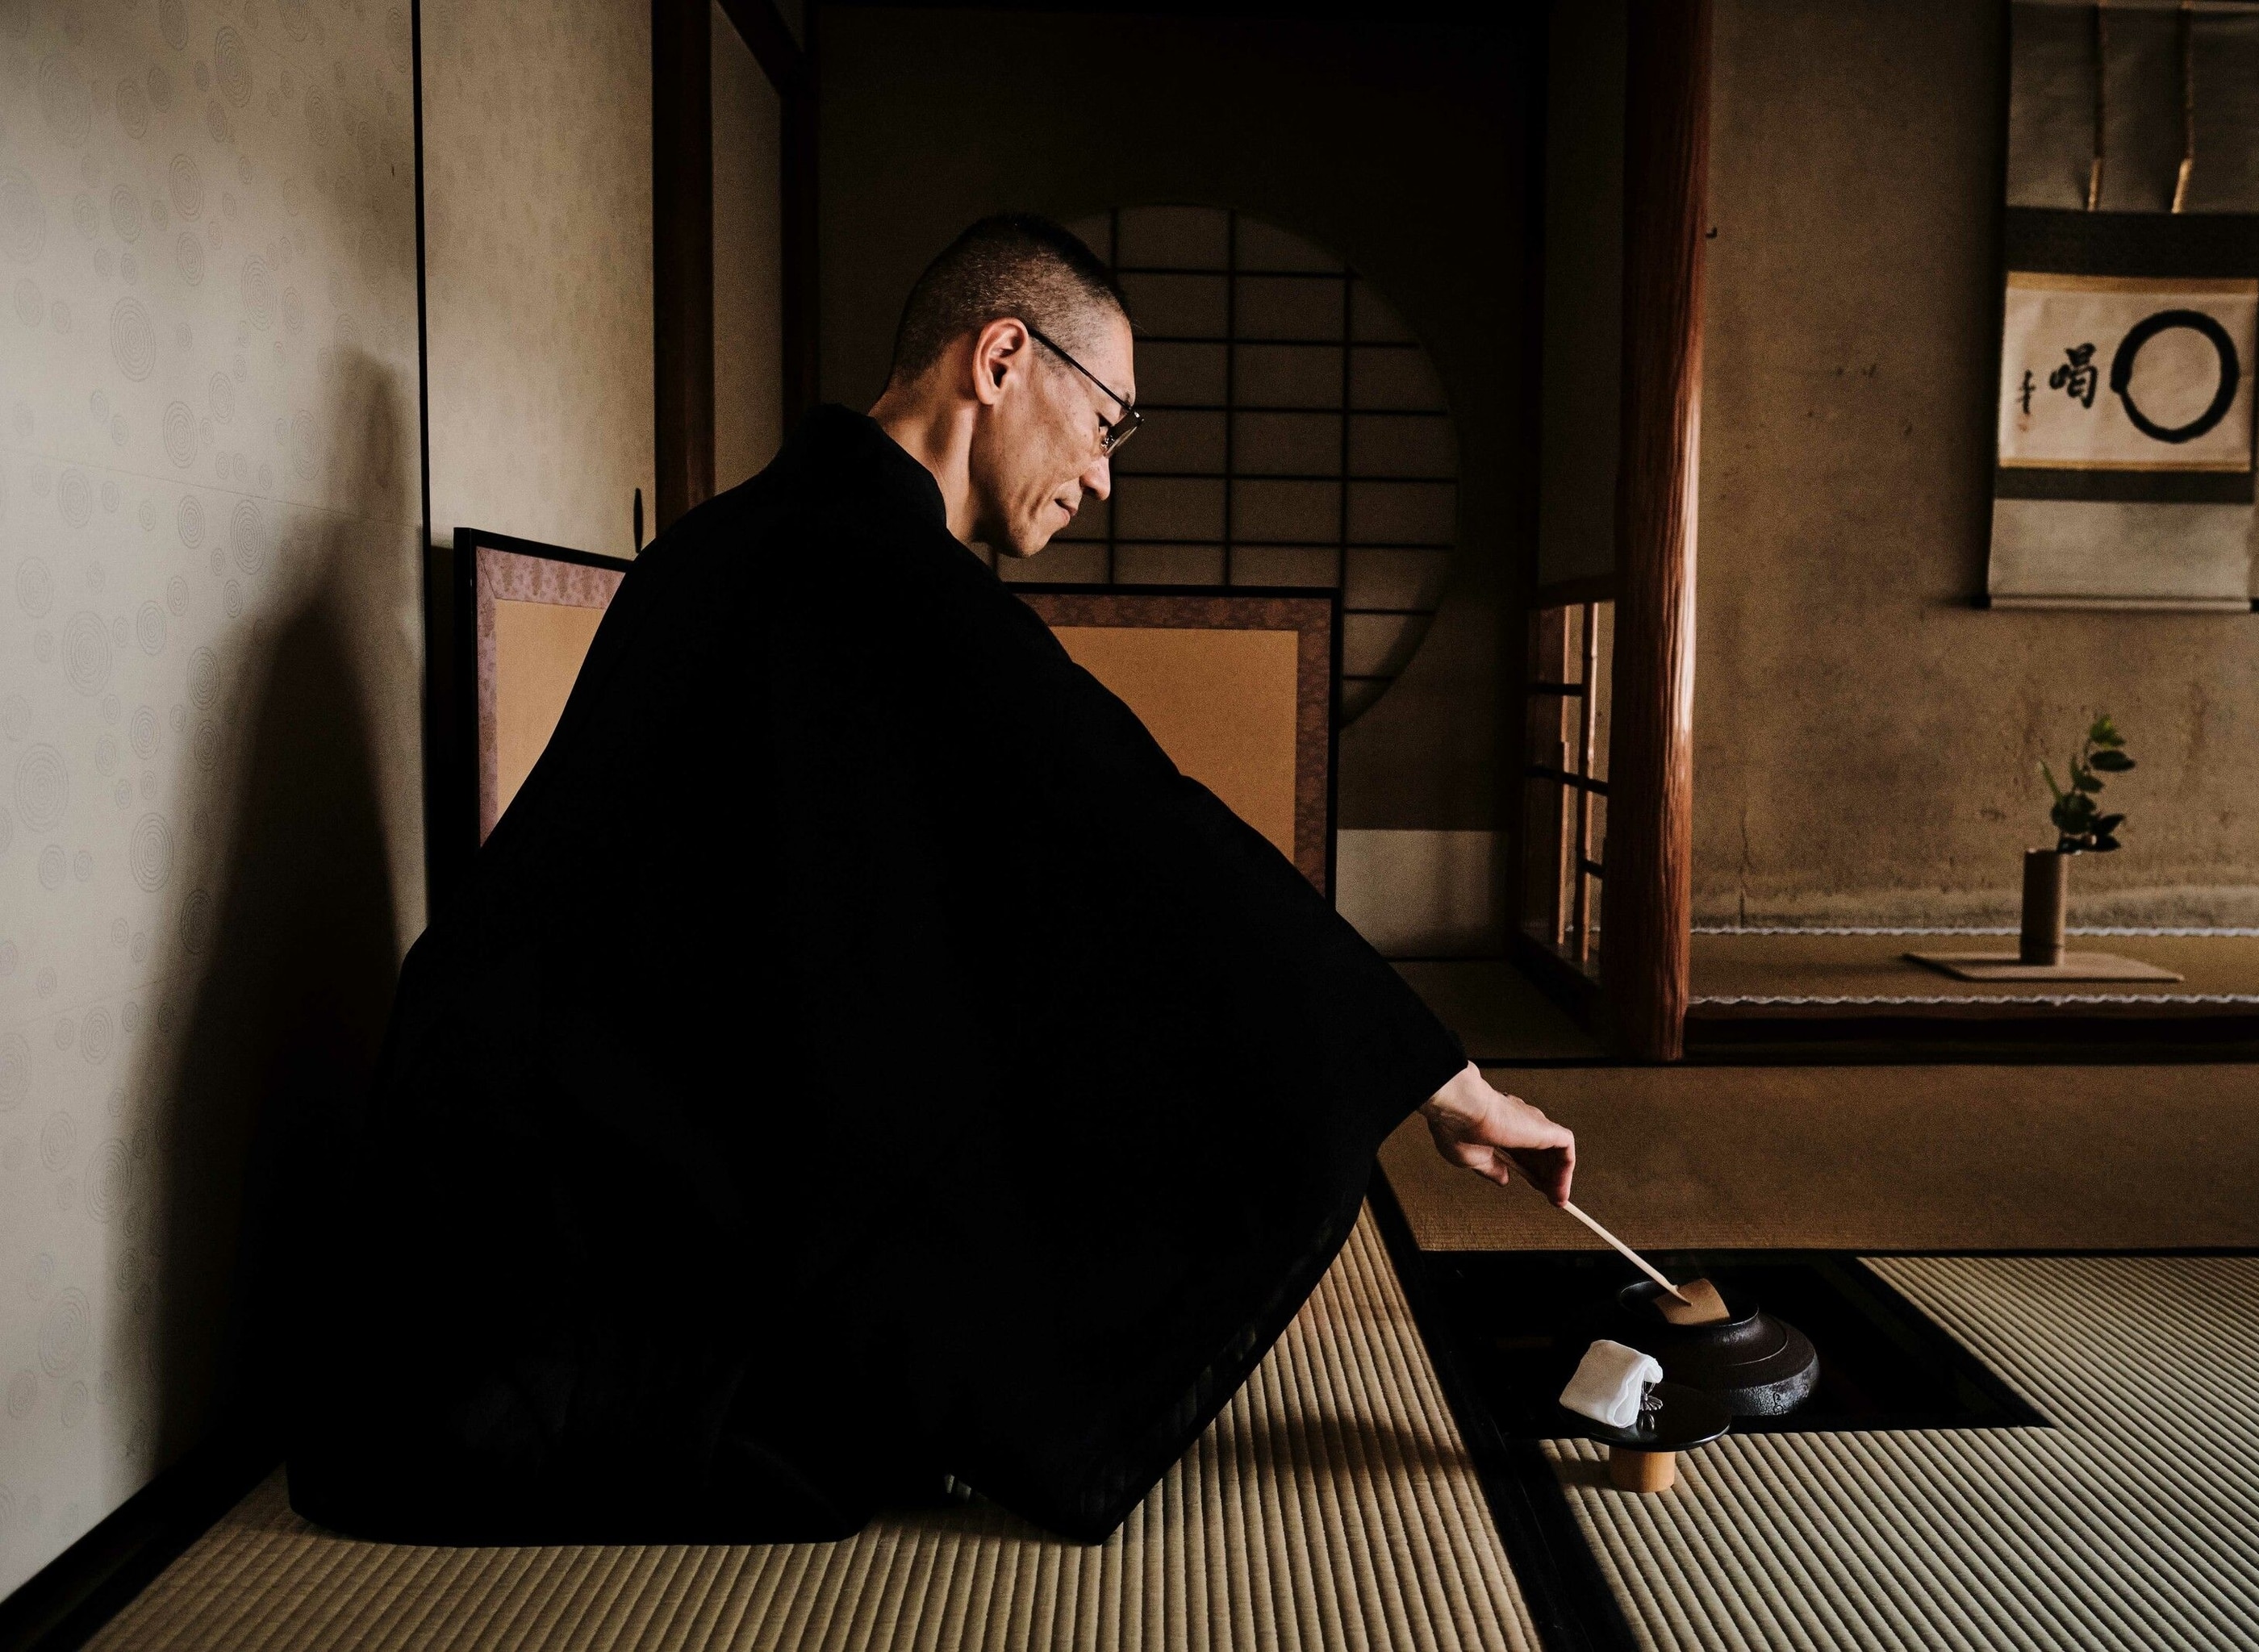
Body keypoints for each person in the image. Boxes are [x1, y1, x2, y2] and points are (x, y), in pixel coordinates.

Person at [288, 215, 1575, 1546]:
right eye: (1109, 423)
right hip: (558, 1238)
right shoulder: (867, 572)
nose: (1104, 479)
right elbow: (1145, 835)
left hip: (475, 1183)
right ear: (1003, 358)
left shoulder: (744, 540)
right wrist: (1431, 1074)